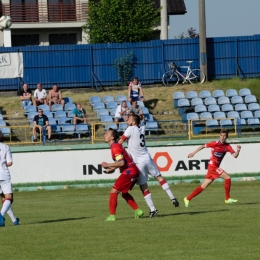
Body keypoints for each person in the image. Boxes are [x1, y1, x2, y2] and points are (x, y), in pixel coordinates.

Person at [119, 114, 179, 217]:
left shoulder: (130, 128)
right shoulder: (142, 128)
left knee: (144, 186)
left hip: (139, 162)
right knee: (159, 177)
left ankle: (152, 209)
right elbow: (140, 122)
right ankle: (172, 197)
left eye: (128, 119)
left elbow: (120, 142)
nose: (127, 121)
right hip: (147, 158)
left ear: (133, 122)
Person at [183, 130, 241, 207]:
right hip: (213, 167)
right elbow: (203, 146)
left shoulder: (227, 146)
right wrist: (193, 153)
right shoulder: (215, 143)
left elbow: (235, 156)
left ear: (226, 137)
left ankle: (187, 198)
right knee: (228, 177)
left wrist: (238, 150)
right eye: (221, 135)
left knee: (203, 186)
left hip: (213, 168)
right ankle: (227, 199)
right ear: (219, 136)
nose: (222, 137)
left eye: (224, 136)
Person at [101, 128, 143, 221]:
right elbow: (122, 162)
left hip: (129, 172)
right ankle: (138, 211)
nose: (104, 135)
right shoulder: (116, 146)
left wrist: (108, 164)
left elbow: (121, 163)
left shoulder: (115, 147)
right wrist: (111, 168)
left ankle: (112, 216)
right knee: (123, 192)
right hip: (133, 171)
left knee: (113, 192)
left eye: (107, 134)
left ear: (112, 137)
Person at [0, 130, 19, 227]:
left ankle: (14, 220)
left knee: (3, 199)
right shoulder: (5, 147)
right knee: (9, 198)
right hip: (3, 174)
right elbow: (9, 163)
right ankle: (1, 215)